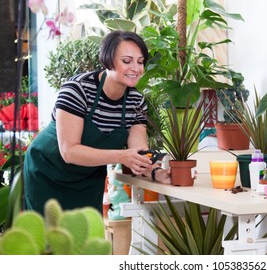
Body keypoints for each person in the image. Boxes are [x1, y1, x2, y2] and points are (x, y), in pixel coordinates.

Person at [23, 31, 171, 215]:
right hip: (47, 173)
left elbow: (139, 153)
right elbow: (69, 151)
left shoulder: (135, 101)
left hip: (87, 179)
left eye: (140, 62)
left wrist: (157, 173)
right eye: (127, 61)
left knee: (87, 240)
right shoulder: (77, 89)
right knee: (49, 239)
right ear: (108, 61)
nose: (136, 68)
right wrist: (122, 156)